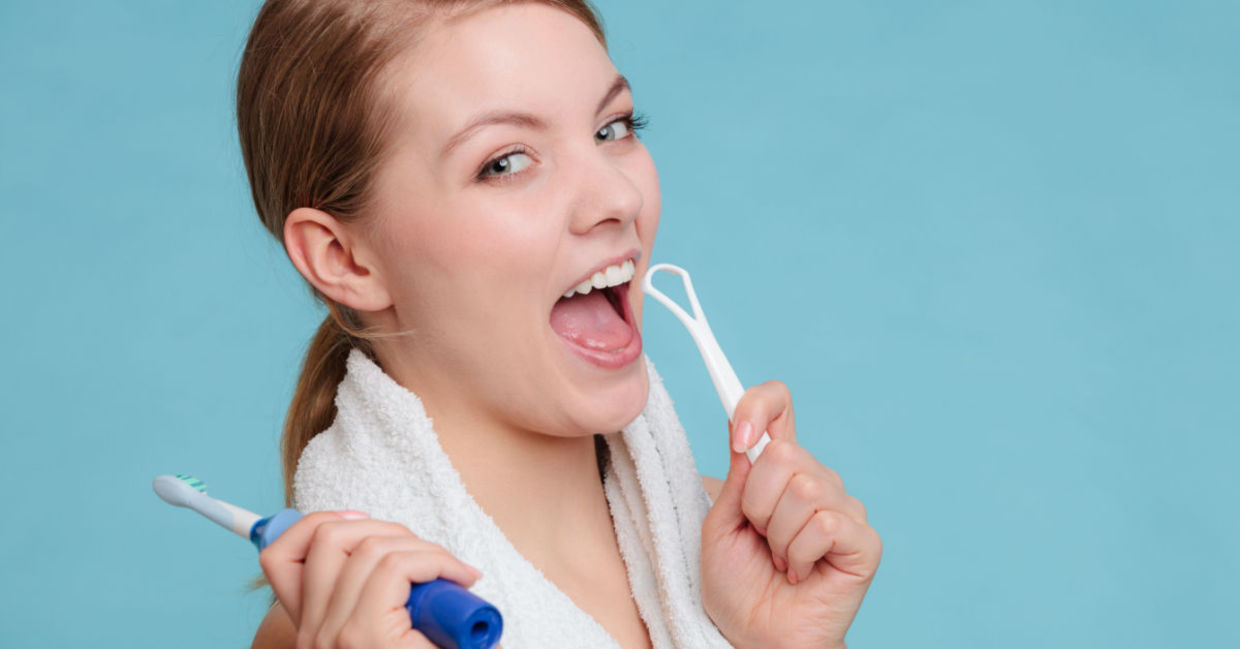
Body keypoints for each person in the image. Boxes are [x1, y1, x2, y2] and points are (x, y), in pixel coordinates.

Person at [239, 1, 882, 647]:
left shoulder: (731, 547)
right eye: (506, 162)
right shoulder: (352, 633)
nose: (617, 198)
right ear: (344, 257)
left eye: (613, 128)